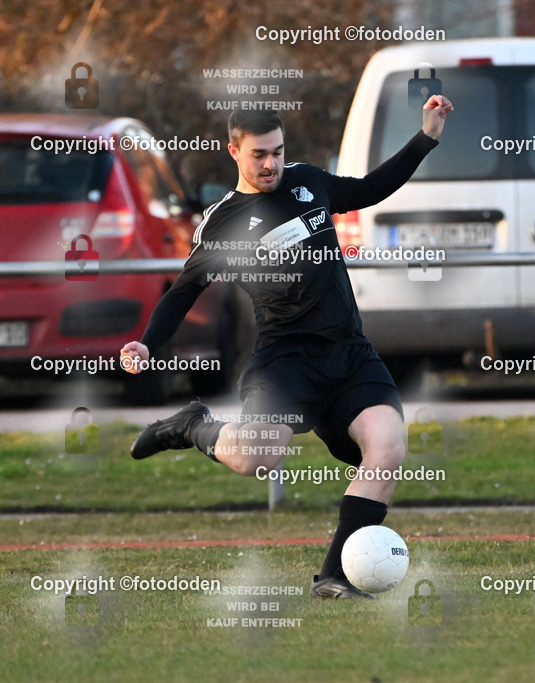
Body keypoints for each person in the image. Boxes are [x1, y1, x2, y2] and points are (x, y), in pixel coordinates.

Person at [120, 95, 453, 599]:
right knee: (260, 457)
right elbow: (184, 291)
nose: (271, 163)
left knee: (387, 446)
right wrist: (146, 343)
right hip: (284, 360)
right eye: (259, 155)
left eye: (277, 151)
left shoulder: (307, 181)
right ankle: (191, 426)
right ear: (234, 151)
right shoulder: (222, 223)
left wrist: (425, 137)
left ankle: (335, 576)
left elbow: (370, 189)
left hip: (348, 351)